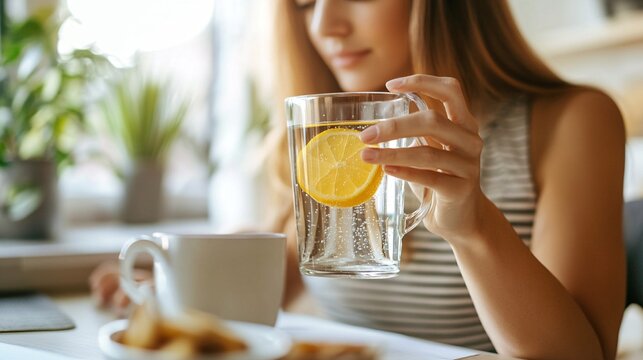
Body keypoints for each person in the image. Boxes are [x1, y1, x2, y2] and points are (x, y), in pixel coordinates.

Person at [90, 1, 627, 358]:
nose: (324, 25)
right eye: (305, 0)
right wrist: (172, 277)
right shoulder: (329, 136)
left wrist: (472, 228)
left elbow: (580, 355)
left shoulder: (573, 121)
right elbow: (276, 269)